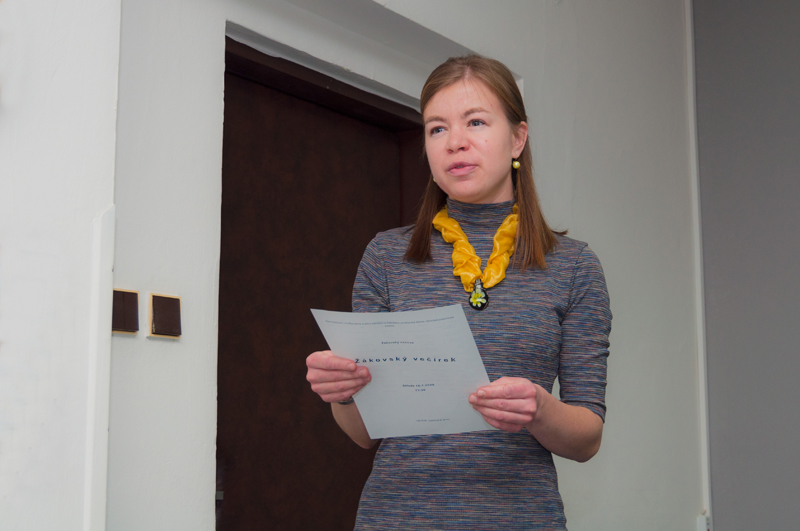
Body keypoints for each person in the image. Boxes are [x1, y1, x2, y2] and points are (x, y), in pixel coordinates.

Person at [306, 54, 611, 530]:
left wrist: (539, 409)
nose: (455, 142)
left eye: (476, 122)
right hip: (394, 517)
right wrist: (342, 395)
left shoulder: (574, 267)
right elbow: (365, 434)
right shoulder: (385, 257)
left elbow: (587, 439)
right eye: (437, 128)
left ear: (518, 138)